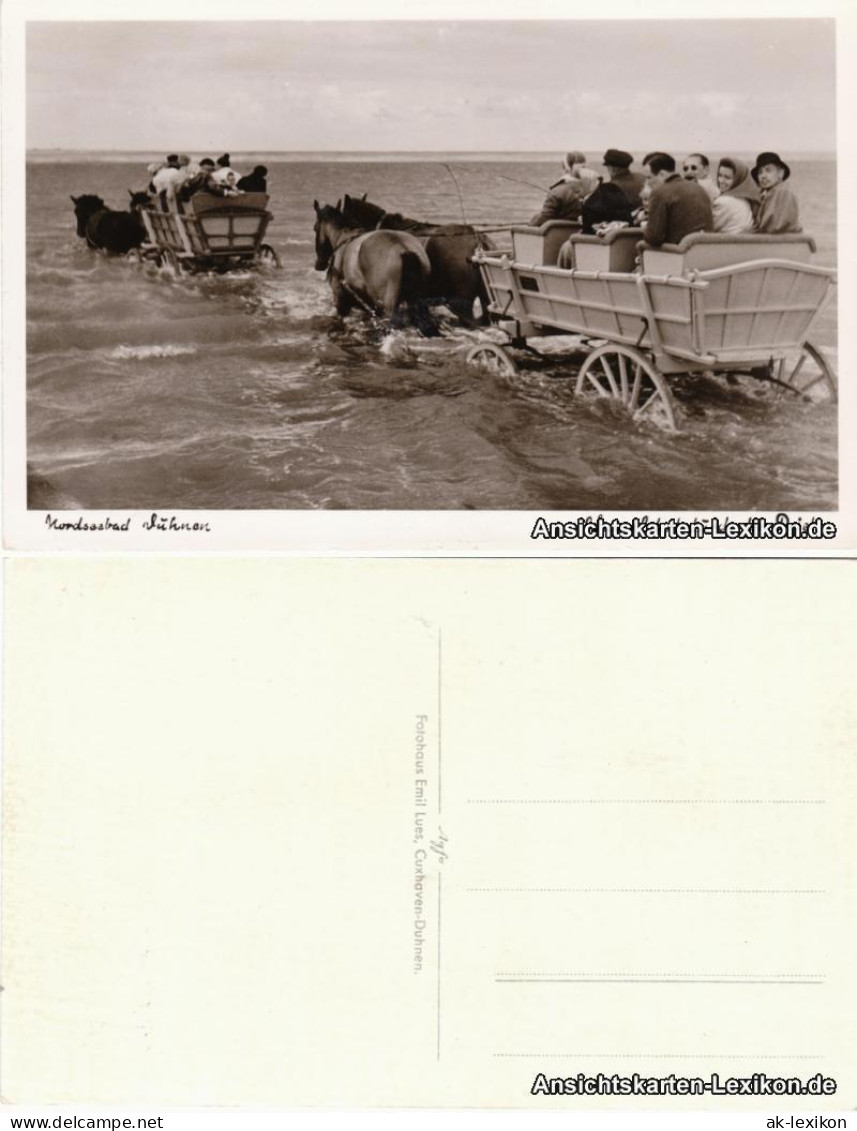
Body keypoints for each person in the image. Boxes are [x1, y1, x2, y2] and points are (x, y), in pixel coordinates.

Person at [642, 152, 713, 247]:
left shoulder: (660, 193)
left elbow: (654, 238)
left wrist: (645, 228)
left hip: (676, 254)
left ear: (662, 174)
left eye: (649, 178)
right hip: (702, 251)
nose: (647, 183)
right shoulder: (699, 188)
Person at [751, 151, 801, 233]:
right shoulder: (768, 194)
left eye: (768, 170)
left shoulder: (783, 192)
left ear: (780, 173)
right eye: (760, 172)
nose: (763, 176)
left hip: (783, 242)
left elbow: (774, 227)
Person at [711, 157, 757, 234]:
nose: (721, 181)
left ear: (737, 180)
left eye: (727, 177)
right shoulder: (746, 200)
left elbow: (708, 227)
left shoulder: (724, 202)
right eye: (720, 175)